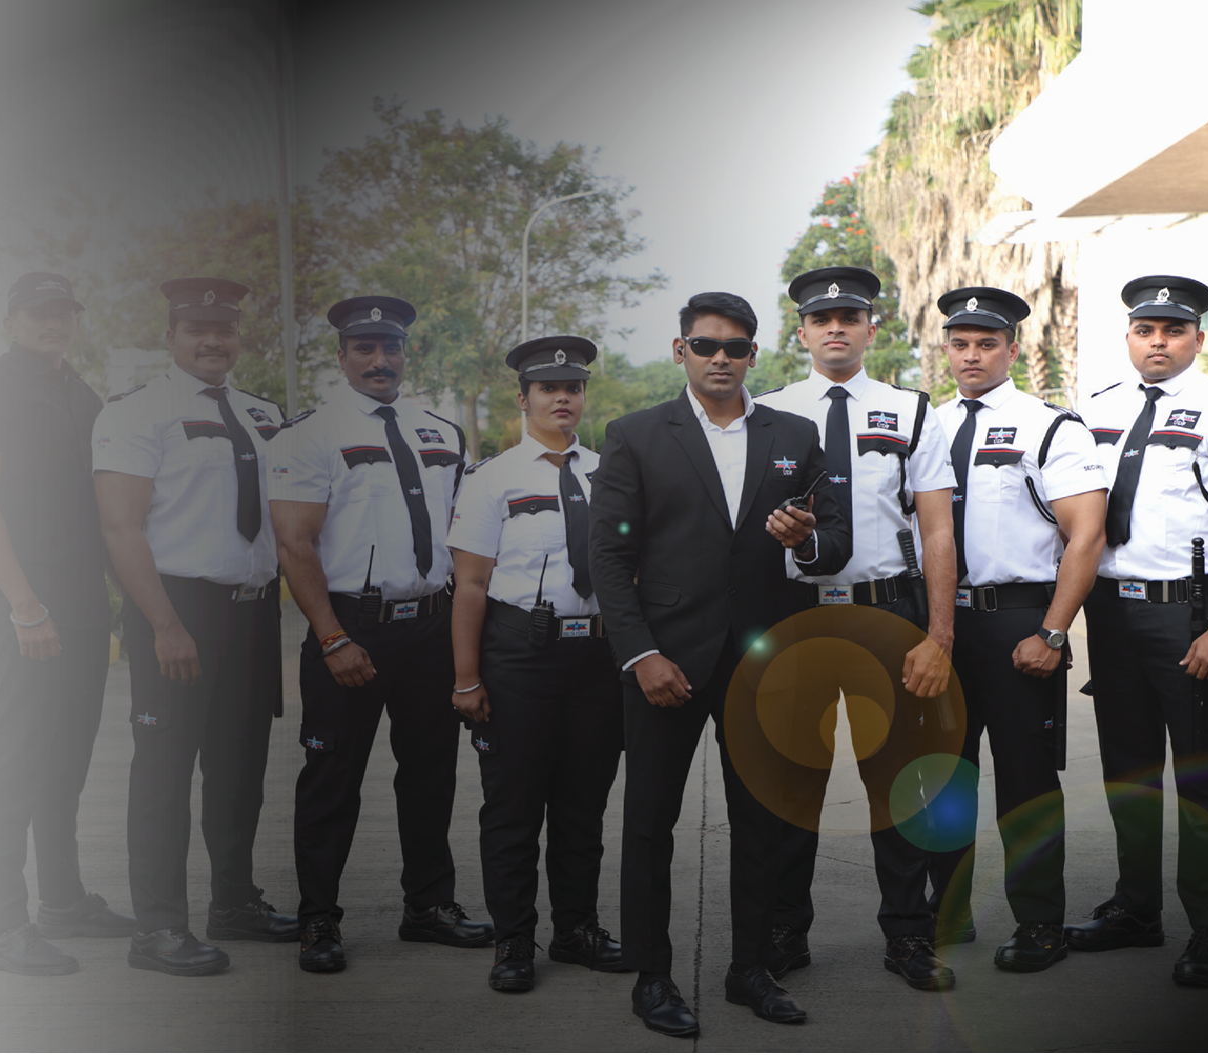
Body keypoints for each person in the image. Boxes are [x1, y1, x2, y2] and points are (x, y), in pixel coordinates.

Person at [589, 291, 851, 1036]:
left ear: (753, 355)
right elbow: (608, 556)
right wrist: (642, 654)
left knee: (762, 822)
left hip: (762, 660)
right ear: (681, 351)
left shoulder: (794, 434)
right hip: (665, 662)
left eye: (735, 347)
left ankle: (750, 968)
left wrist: (804, 539)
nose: (720, 359)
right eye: (705, 345)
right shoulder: (637, 435)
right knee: (649, 824)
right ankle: (652, 975)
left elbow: (835, 541)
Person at [753, 266, 960, 991]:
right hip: (796, 617)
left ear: (873, 329)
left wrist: (938, 636)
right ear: (801, 333)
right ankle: (784, 930)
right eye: (821, 318)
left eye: (849, 317)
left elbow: (937, 529)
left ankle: (908, 935)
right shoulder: (767, 412)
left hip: (885, 611)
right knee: (793, 779)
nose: (835, 327)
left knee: (897, 782)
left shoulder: (910, 410)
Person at [269, 296, 489, 975]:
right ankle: (318, 918)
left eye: (390, 347)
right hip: (350, 628)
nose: (379, 360)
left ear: (404, 353)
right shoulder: (309, 435)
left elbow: (468, 536)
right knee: (331, 781)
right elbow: (295, 543)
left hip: (430, 627)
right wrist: (332, 639)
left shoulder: (441, 432)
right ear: (341, 357)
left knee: (430, 777)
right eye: (363, 348)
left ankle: (428, 905)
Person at [1070, 275, 1208, 987]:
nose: (1157, 341)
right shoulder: (1095, 409)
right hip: (1110, 614)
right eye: (1145, 329)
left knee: (1202, 776)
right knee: (1128, 773)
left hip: (1188, 615)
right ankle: (1136, 910)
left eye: (1174, 330)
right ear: (1129, 336)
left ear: (1198, 337)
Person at [93, 277, 296, 976]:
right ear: (171, 336)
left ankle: (233, 903)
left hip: (253, 612)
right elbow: (120, 529)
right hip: (178, 610)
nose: (213, 341)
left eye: (225, 329)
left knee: (239, 772)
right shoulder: (136, 412)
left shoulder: (264, 415)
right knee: (164, 773)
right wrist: (164, 623)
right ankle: (156, 928)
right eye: (197, 329)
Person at [0, 272, 134, 975]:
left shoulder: (79, 392)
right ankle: (3, 928)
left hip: (83, 603)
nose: (53, 323)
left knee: (67, 758)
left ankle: (63, 900)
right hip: (25, 603)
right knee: (20, 758)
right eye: (37, 313)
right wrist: (25, 605)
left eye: (64, 313)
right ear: (11, 321)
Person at [924, 286, 1107, 973]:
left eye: (986, 343)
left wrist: (1054, 633)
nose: (971, 355)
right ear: (946, 349)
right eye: (960, 344)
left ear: (1012, 349)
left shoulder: (1050, 426)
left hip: (1019, 624)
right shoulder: (927, 425)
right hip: (943, 625)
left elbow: (1086, 536)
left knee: (1026, 782)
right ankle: (948, 911)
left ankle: (1039, 923)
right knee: (943, 779)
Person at [447, 335, 627, 993]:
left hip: (596, 659)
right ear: (523, 399)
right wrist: (466, 678)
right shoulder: (492, 478)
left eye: (573, 388)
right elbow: (470, 585)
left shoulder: (610, 473)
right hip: (520, 658)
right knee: (513, 809)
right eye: (548, 388)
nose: (562, 398)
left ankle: (576, 930)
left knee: (583, 809)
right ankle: (514, 940)